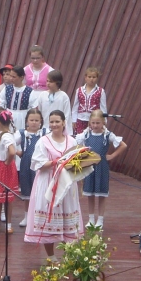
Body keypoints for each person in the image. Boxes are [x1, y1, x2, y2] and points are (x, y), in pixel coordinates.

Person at [24, 110, 84, 256]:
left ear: (64, 122)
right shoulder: (43, 141)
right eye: (52, 122)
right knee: (49, 221)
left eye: (57, 121)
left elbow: (78, 163)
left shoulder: (72, 141)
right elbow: (37, 163)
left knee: (67, 220)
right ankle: (51, 258)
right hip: (48, 183)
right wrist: (56, 162)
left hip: (67, 184)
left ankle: (68, 256)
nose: (54, 124)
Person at [76, 109, 127, 228]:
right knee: (90, 194)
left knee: (101, 194)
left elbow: (123, 145)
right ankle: (91, 219)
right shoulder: (86, 134)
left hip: (102, 167)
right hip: (89, 166)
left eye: (98, 123)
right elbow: (76, 144)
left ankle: (100, 219)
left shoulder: (107, 135)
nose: (95, 125)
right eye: (93, 123)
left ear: (103, 122)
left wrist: (112, 156)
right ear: (89, 122)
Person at [17, 108, 45, 227]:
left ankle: (39, 217)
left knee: (40, 190)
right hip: (26, 164)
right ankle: (27, 216)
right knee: (27, 190)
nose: (34, 122)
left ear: (41, 121)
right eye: (31, 120)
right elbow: (12, 144)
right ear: (27, 121)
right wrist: (20, 153)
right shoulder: (22, 133)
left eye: (36, 120)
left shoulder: (44, 133)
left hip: (40, 165)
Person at [0, 65, 39, 135]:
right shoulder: (7, 89)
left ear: (21, 77)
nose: (11, 78)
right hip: (8, 116)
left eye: (14, 77)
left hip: (22, 117)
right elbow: (1, 102)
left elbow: (33, 107)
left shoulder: (29, 91)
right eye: (10, 76)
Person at [72, 66, 107, 136]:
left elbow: (103, 108)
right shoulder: (79, 90)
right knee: (79, 138)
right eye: (89, 77)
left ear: (97, 78)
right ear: (85, 77)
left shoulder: (101, 91)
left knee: (91, 138)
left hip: (94, 121)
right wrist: (73, 120)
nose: (91, 79)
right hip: (80, 119)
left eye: (94, 77)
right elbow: (75, 107)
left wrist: (104, 121)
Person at [39, 70, 72, 136]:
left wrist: (66, 130)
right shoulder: (42, 95)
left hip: (59, 128)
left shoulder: (63, 96)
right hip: (45, 128)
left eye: (51, 82)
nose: (48, 83)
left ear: (57, 83)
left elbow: (67, 114)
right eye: (47, 81)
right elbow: (40, 112)